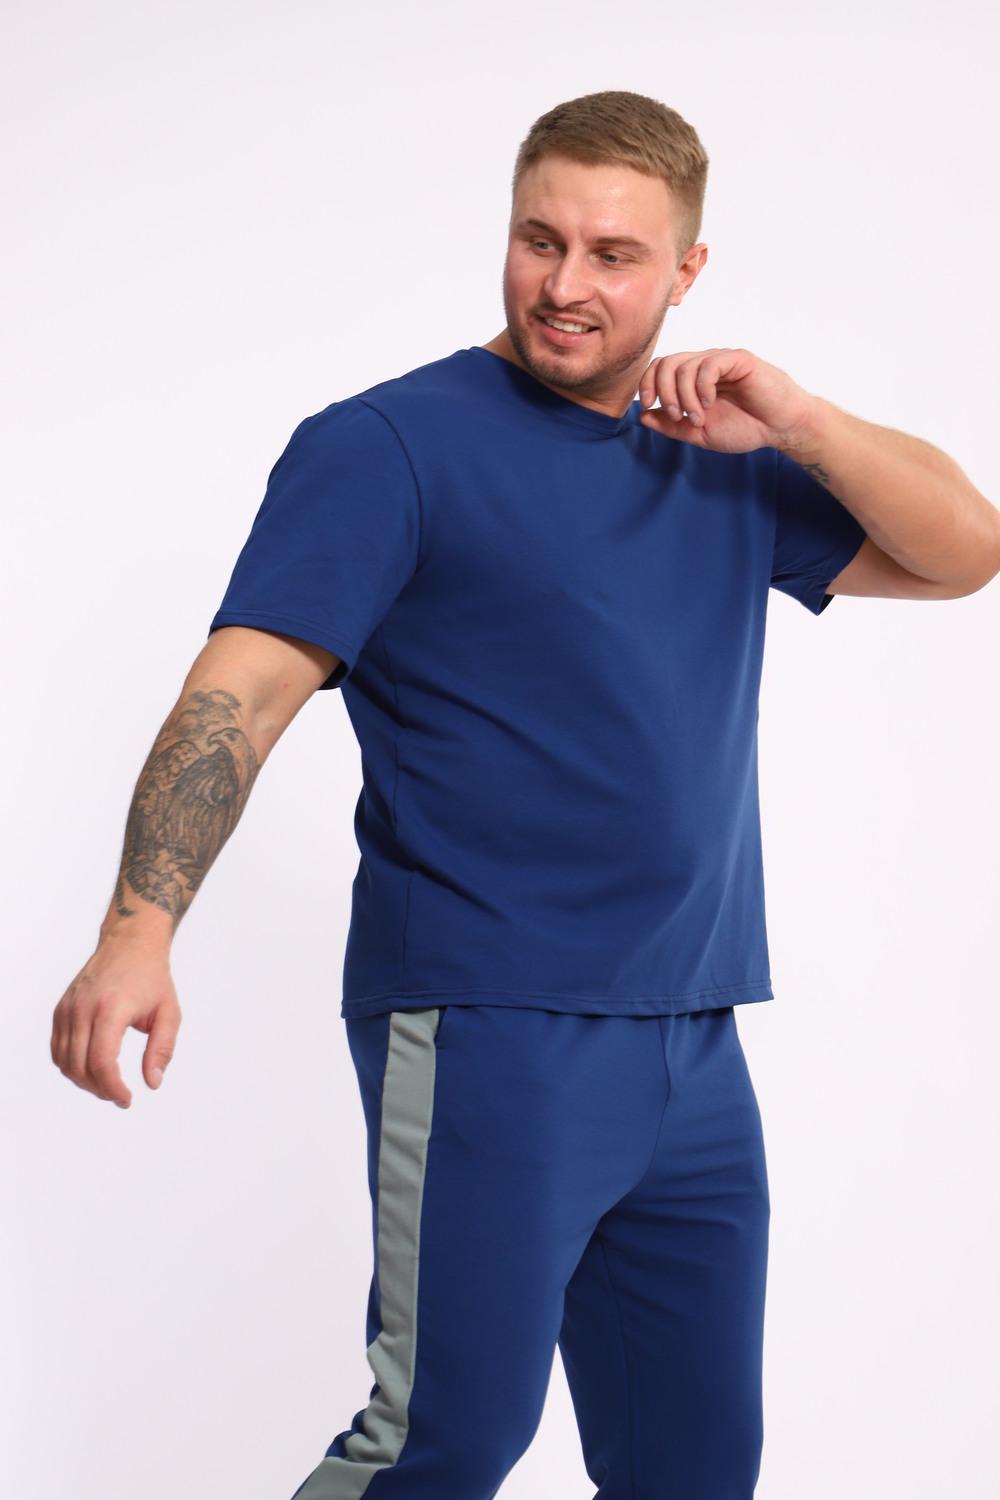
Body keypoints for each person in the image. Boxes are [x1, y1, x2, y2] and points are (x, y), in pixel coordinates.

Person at [51, 89, 1000, 1500]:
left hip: (691, 1031)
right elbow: (236, 697)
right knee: (439, 1443)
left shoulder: (724, 451)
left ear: (687, 271)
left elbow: (965, 551)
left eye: (614, 256)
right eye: (538, 240)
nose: (565, 286)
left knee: (694, 1465)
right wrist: (137, 932)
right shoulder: (388, 447)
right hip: (491, 1022)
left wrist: (798, 420)